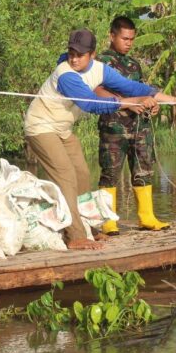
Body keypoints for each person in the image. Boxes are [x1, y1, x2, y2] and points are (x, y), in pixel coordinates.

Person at [24, 28, 161, 250]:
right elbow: (91, 104)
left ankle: (89, 228)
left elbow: (131, 87)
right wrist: (131, 102)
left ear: (92, 54)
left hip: (62, 128)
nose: (74, 58)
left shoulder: (100, 70)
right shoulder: (66, 74)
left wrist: (170, 98)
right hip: (40, 127)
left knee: (82, 173)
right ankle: (75, 236)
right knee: (66, 176)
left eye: (80, 54)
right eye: (71, 53)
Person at [94, 16, 176, 235]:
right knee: (110, 172)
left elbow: (142, 91)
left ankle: (147, 217)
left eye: (132, 39)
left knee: (143, 170)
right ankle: (108, 220)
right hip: (114, 127)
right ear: (112, 36)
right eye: (124, 38)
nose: (128, 42)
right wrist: (130, 104)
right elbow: (97, 92)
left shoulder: (134, 64)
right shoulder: (101, 62)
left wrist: (155, 104)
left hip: (140, 126)